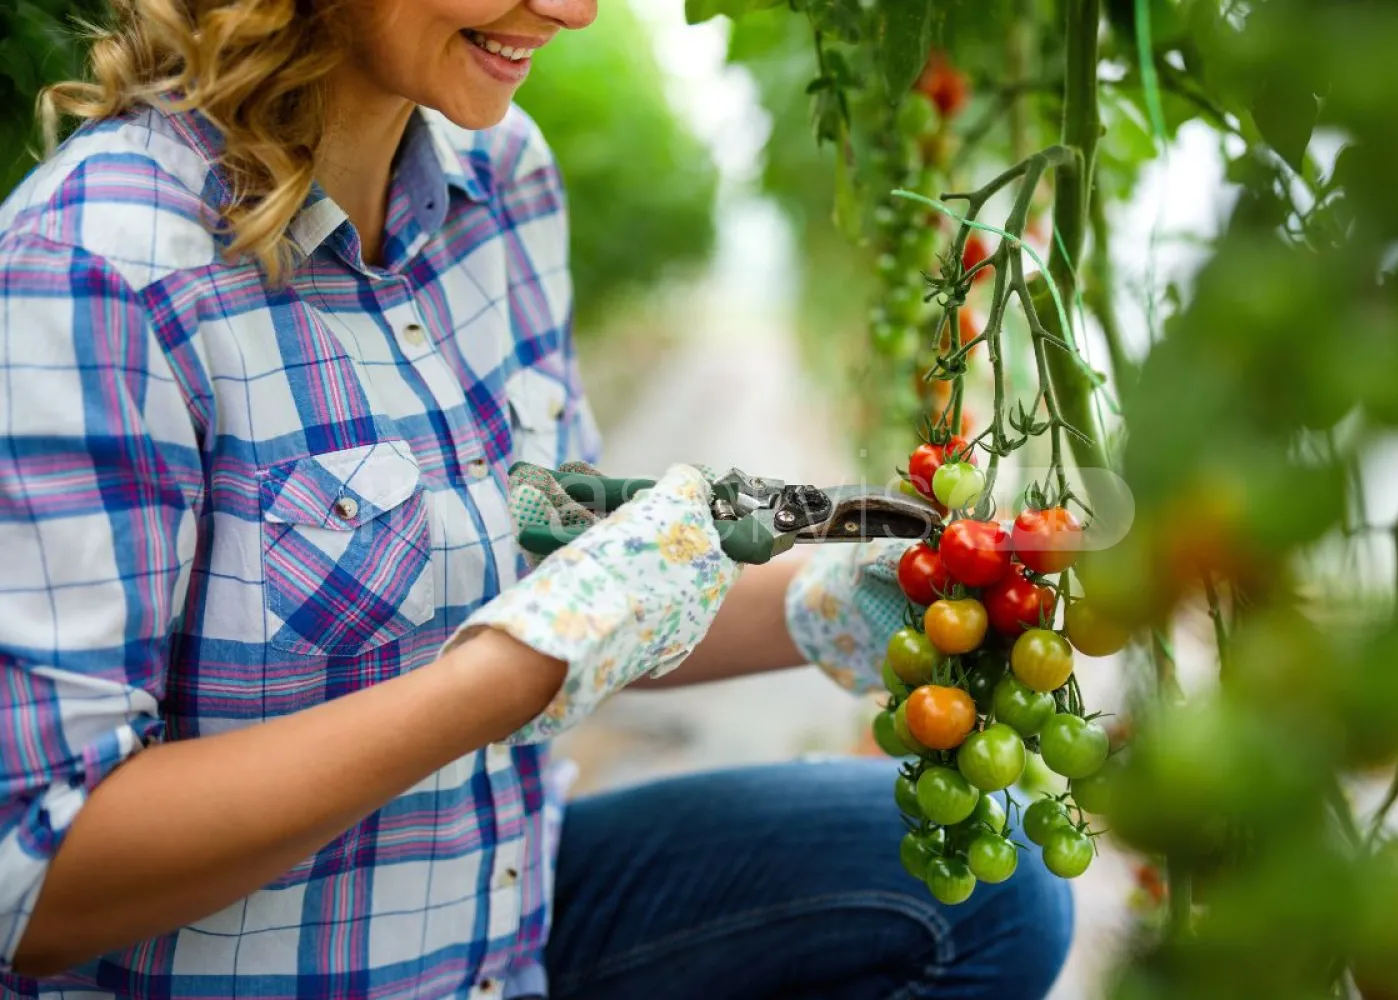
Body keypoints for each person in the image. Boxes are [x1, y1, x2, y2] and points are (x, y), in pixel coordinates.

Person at [0, 0, 1074, 997]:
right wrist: (508, 674)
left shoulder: (503, 179)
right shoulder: (98, 264)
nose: (571, 9)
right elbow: (32, 881)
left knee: (996, 887)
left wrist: (839, 589)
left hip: (507, 933)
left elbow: (570, 586)